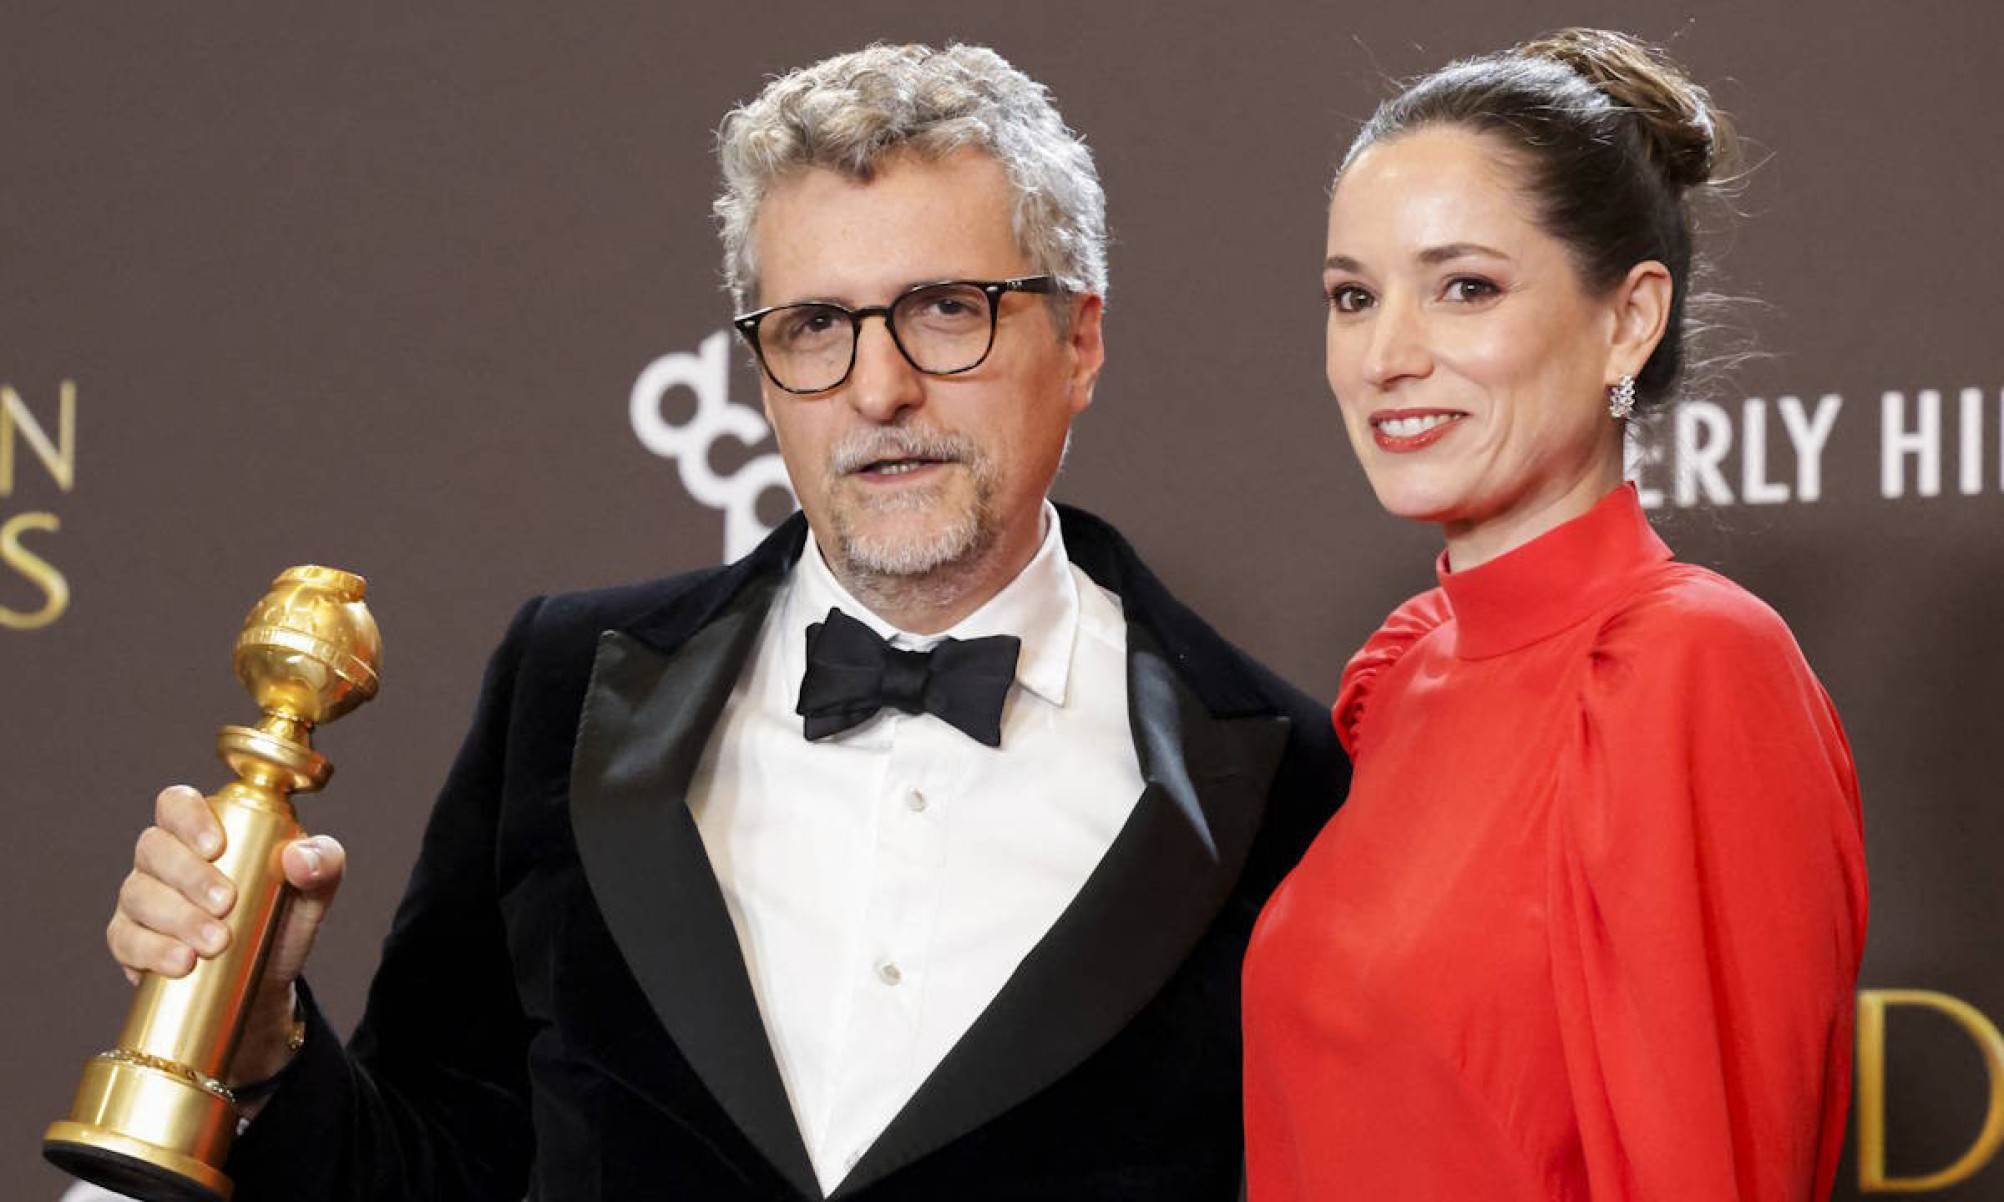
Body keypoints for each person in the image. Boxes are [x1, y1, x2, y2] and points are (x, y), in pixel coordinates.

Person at [103, 42, 1344, 1201]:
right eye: (816, 326)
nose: (878, 388)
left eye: (946, 309)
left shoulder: (1279, 778)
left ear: (1079, 342)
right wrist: (261, 1043)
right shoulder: (564, 691)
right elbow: (432, 1166)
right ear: (762, 369)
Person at [1240, 28, 1868, 1202]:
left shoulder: (1688, 662)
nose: (1386, 355)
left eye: (1465, 287)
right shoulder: (1403, 670)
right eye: (1353, 297)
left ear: (1628, 318)